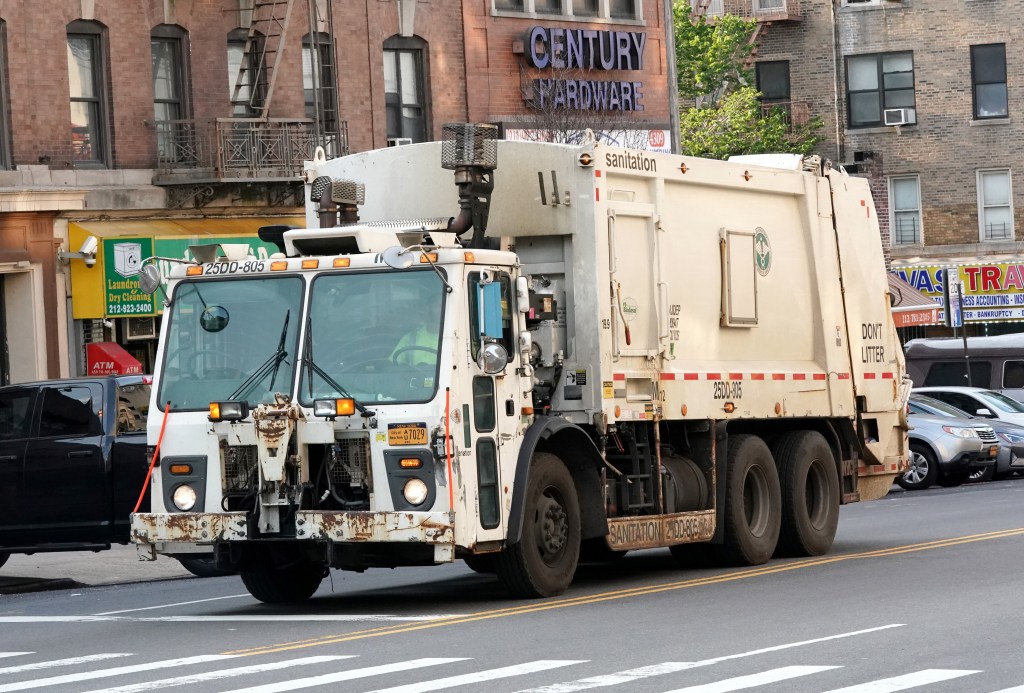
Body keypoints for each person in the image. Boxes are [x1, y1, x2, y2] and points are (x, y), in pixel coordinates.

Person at [391, 299, 441, 368]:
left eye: (443, 305)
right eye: (438, 305)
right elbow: (392, 364)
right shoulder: (410, 338)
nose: (442, 308)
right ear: (427, 309)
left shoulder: (455, 338)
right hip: (415, 378)